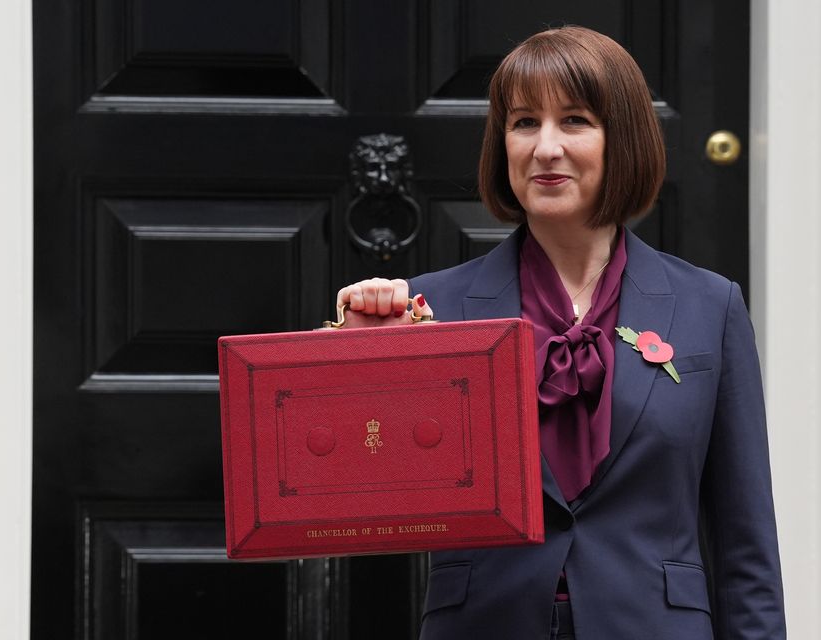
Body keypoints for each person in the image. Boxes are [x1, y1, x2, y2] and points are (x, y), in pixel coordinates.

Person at [336, 26, 785, 640]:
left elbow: (746, 541)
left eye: (574, 120)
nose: (545, 147)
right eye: (524, 123)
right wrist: (358, 359)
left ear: (620, 140)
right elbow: (362, 501)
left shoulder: (710, 306)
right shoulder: (430, 307)